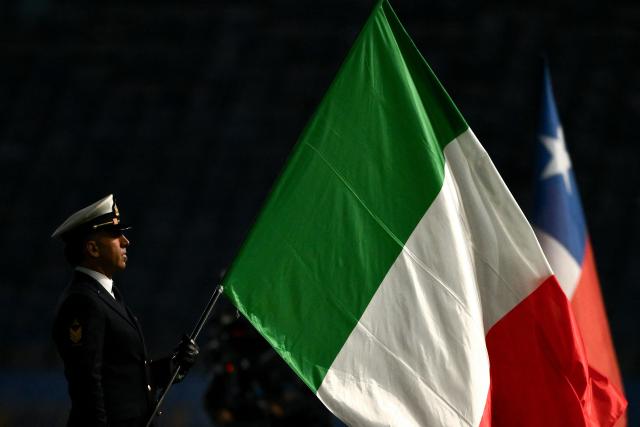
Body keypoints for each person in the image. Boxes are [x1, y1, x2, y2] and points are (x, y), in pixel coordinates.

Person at [51, 194, 199, 427]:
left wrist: (173, 365)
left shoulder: (106, 295)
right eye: (115, 234)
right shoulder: (83, 301)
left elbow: (123, 377)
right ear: (92, 248)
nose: (125, 241)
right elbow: (87, 384)